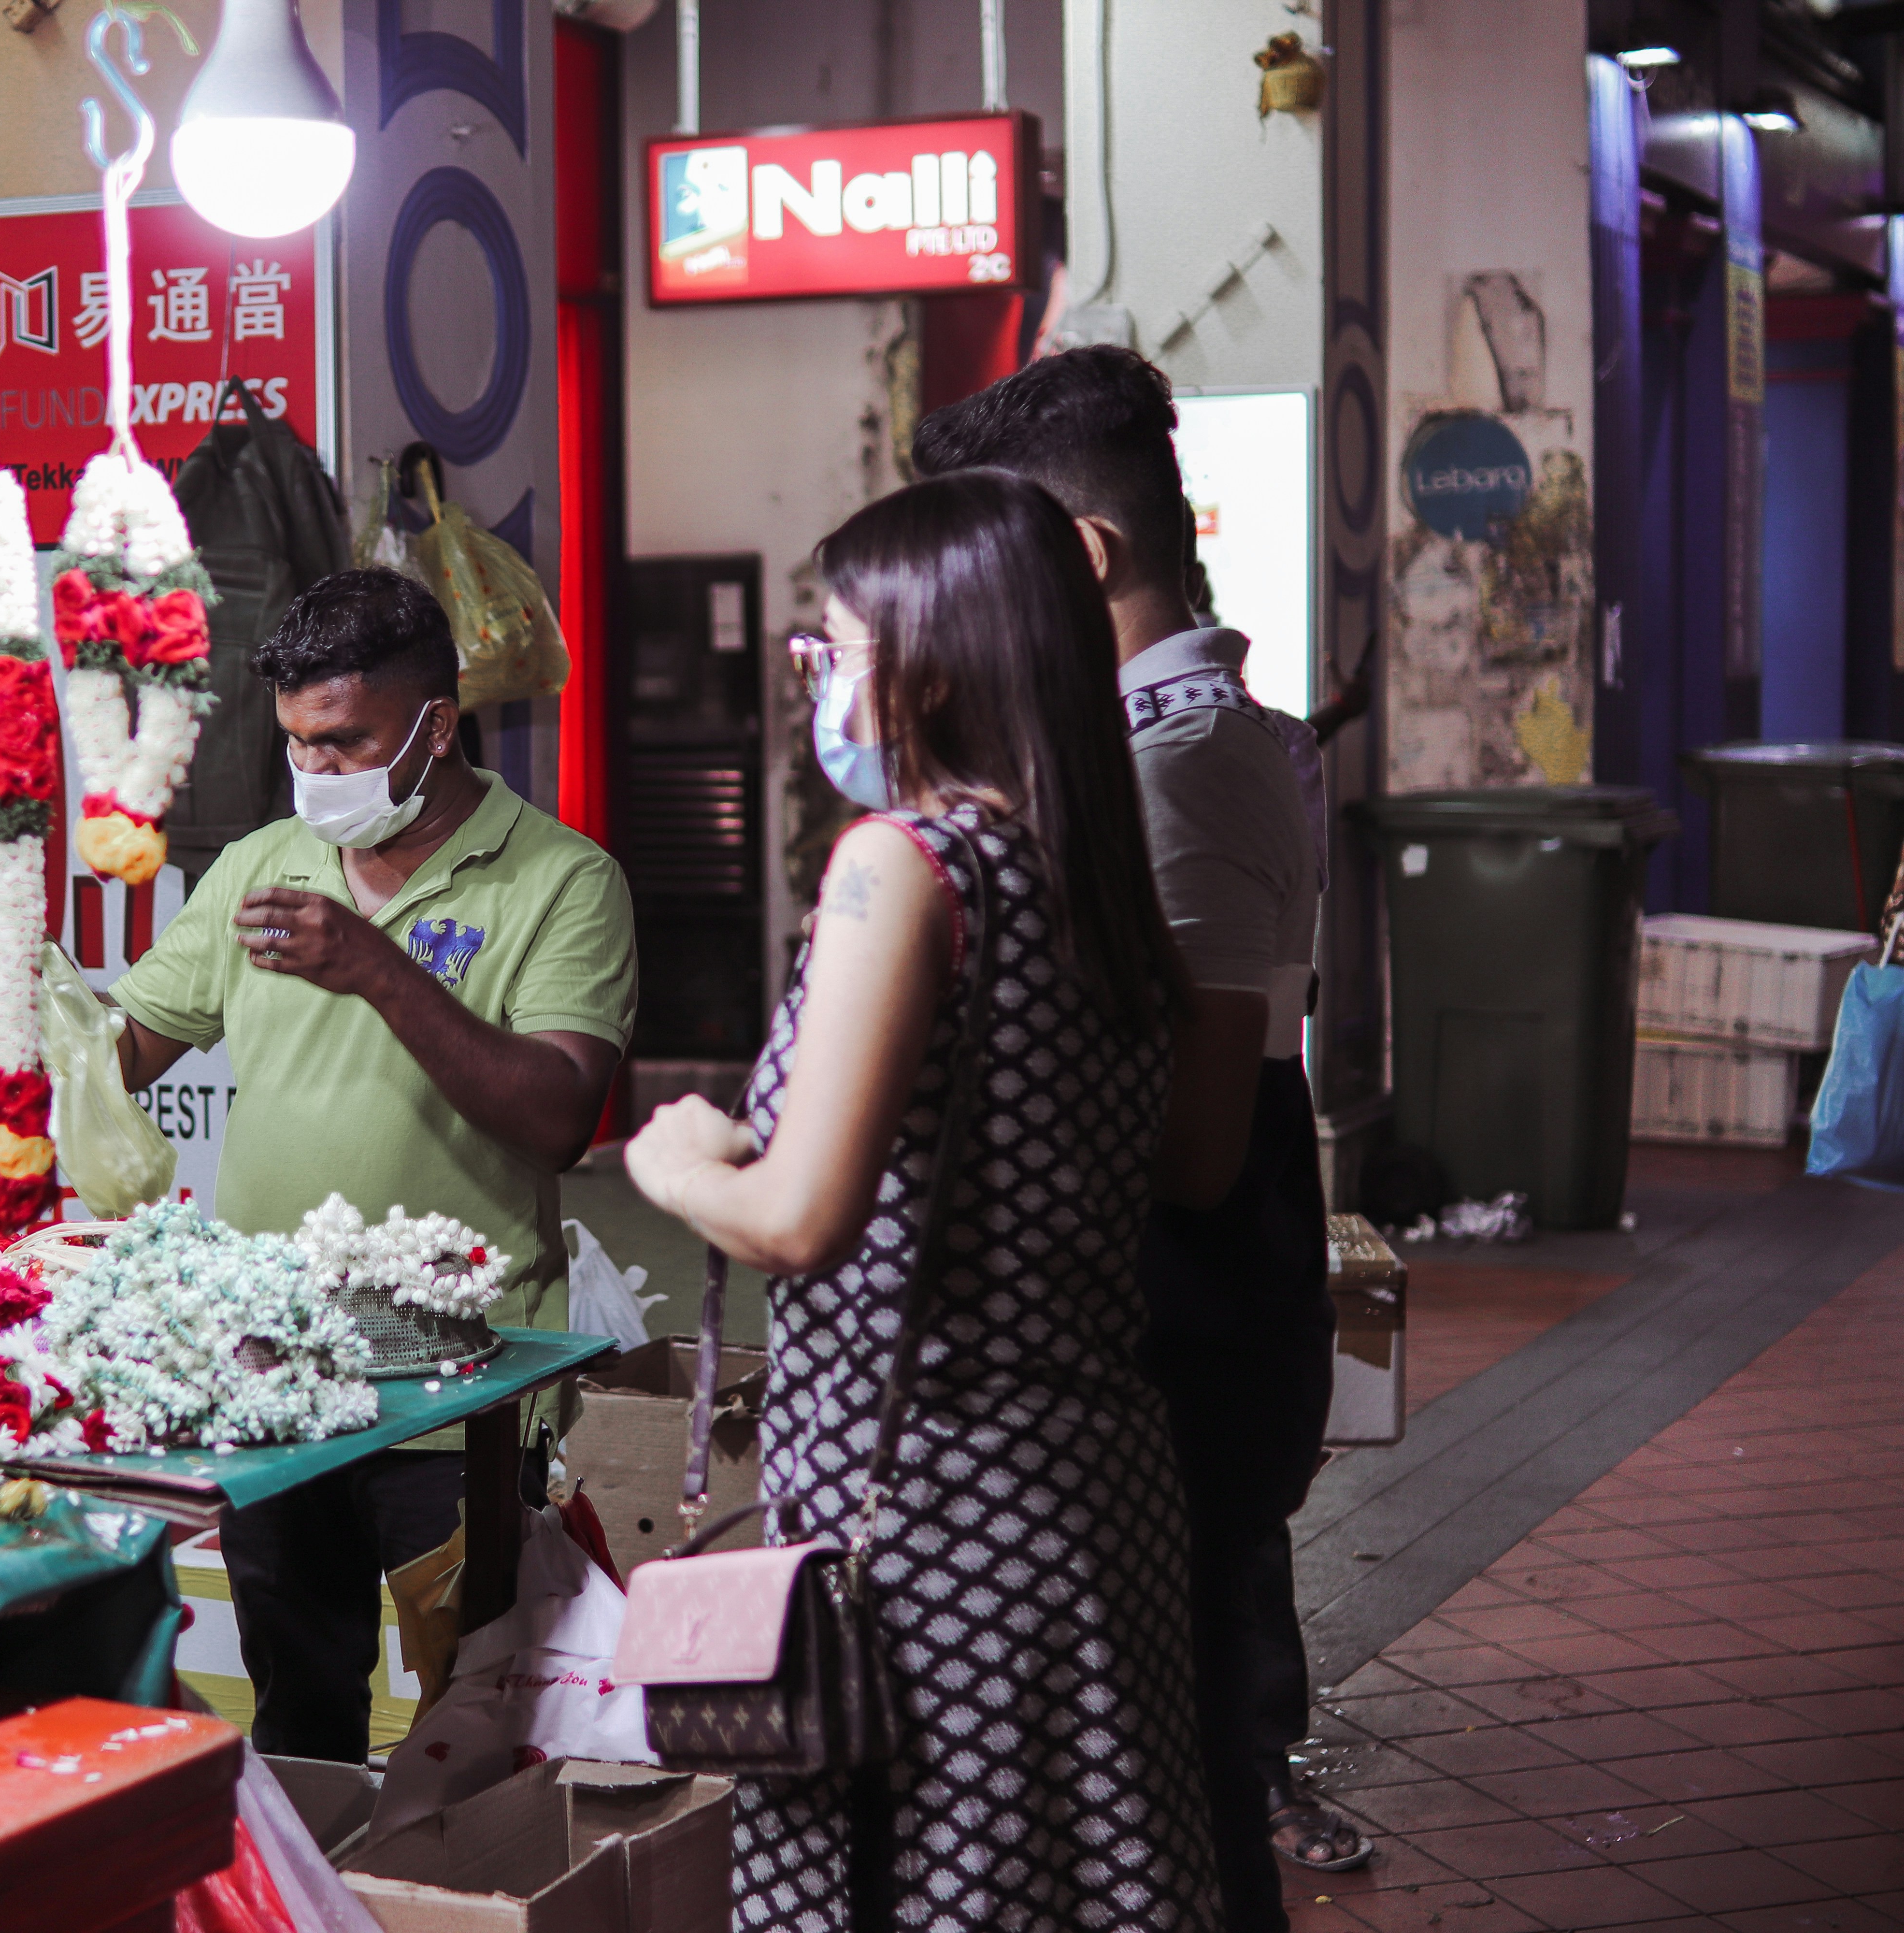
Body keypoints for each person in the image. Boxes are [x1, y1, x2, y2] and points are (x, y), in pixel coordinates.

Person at [625, 471, 1223, 1933]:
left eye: (835, 648)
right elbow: (1187, 1165)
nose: (819, 684)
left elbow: (801, 1218)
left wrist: (678, 1158)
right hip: (1090, 1514)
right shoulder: (1089, 875)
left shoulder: (907, 867)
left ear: (938, 663)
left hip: (928, 1538)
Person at [915, 346, 1354, 1930]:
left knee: (1185, 1779)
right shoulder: (1170, 745)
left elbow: (1191, 1145)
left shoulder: (1175, 771)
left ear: (1080, 559)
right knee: (1167, 1769)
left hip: (1185, 1317)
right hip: (1190, 1314)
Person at [102, 566, 636, 1763]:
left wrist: (377, 967)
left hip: (461, 1394)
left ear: (434, 727)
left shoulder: (562, 880)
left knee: (489, 1710)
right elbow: (122, 1053)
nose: (316, 775)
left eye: (343, 743)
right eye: (298, 745)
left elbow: (557, 1115)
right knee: (299, 1706)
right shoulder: (260, 867)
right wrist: (35, 1043)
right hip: (277, 1381)